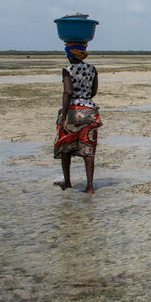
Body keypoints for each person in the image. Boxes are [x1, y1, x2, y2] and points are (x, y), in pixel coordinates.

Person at [54, 41, 101, 193]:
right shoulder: (92, 69)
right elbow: (93, 92)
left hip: (73, 110)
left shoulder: (67, 70)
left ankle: (67, 182)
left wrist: (64, 115)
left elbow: (67, 92)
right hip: (90, 110)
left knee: (66, 147)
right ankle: (90, 186)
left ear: (70, 54)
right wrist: (85, 98)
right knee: (88, 149)